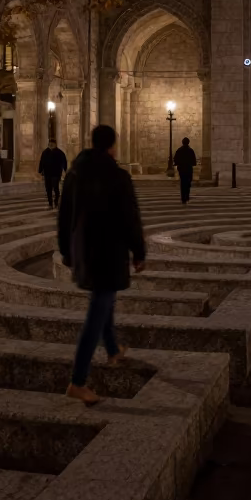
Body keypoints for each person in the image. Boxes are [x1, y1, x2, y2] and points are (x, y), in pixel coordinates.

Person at [58, 125, 146, 405]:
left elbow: (63, 216)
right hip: (108, 252)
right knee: (97, 312)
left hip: (83, 251)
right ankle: (78, 381)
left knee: (104, 299)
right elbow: (129, 217)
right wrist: (139, 251)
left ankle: (113, 349)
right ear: (112, 146)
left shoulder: (74, 174)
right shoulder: (117, 176)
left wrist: (66, 250)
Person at [38, 140, 69, 209]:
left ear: (55, 144)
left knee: (56, 188)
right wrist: (40, 170)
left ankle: (56, 201)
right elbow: (42, 161)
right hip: (47, 173)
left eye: (52, 144)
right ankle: (50, 203)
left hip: (56, 173)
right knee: (48, 189)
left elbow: (64, 161)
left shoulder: (60, 152)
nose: (51, 145)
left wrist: (65, 169)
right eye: (50, 144)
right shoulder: (45, 152)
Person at [172, 137, 197, 204]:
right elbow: (194, 162)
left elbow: (175, 160)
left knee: (183, 183)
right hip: (188, 169)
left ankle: (183, 198)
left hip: (182, 169)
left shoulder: (179, 150)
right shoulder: (191, 151)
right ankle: (187, 197)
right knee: (188, 183)